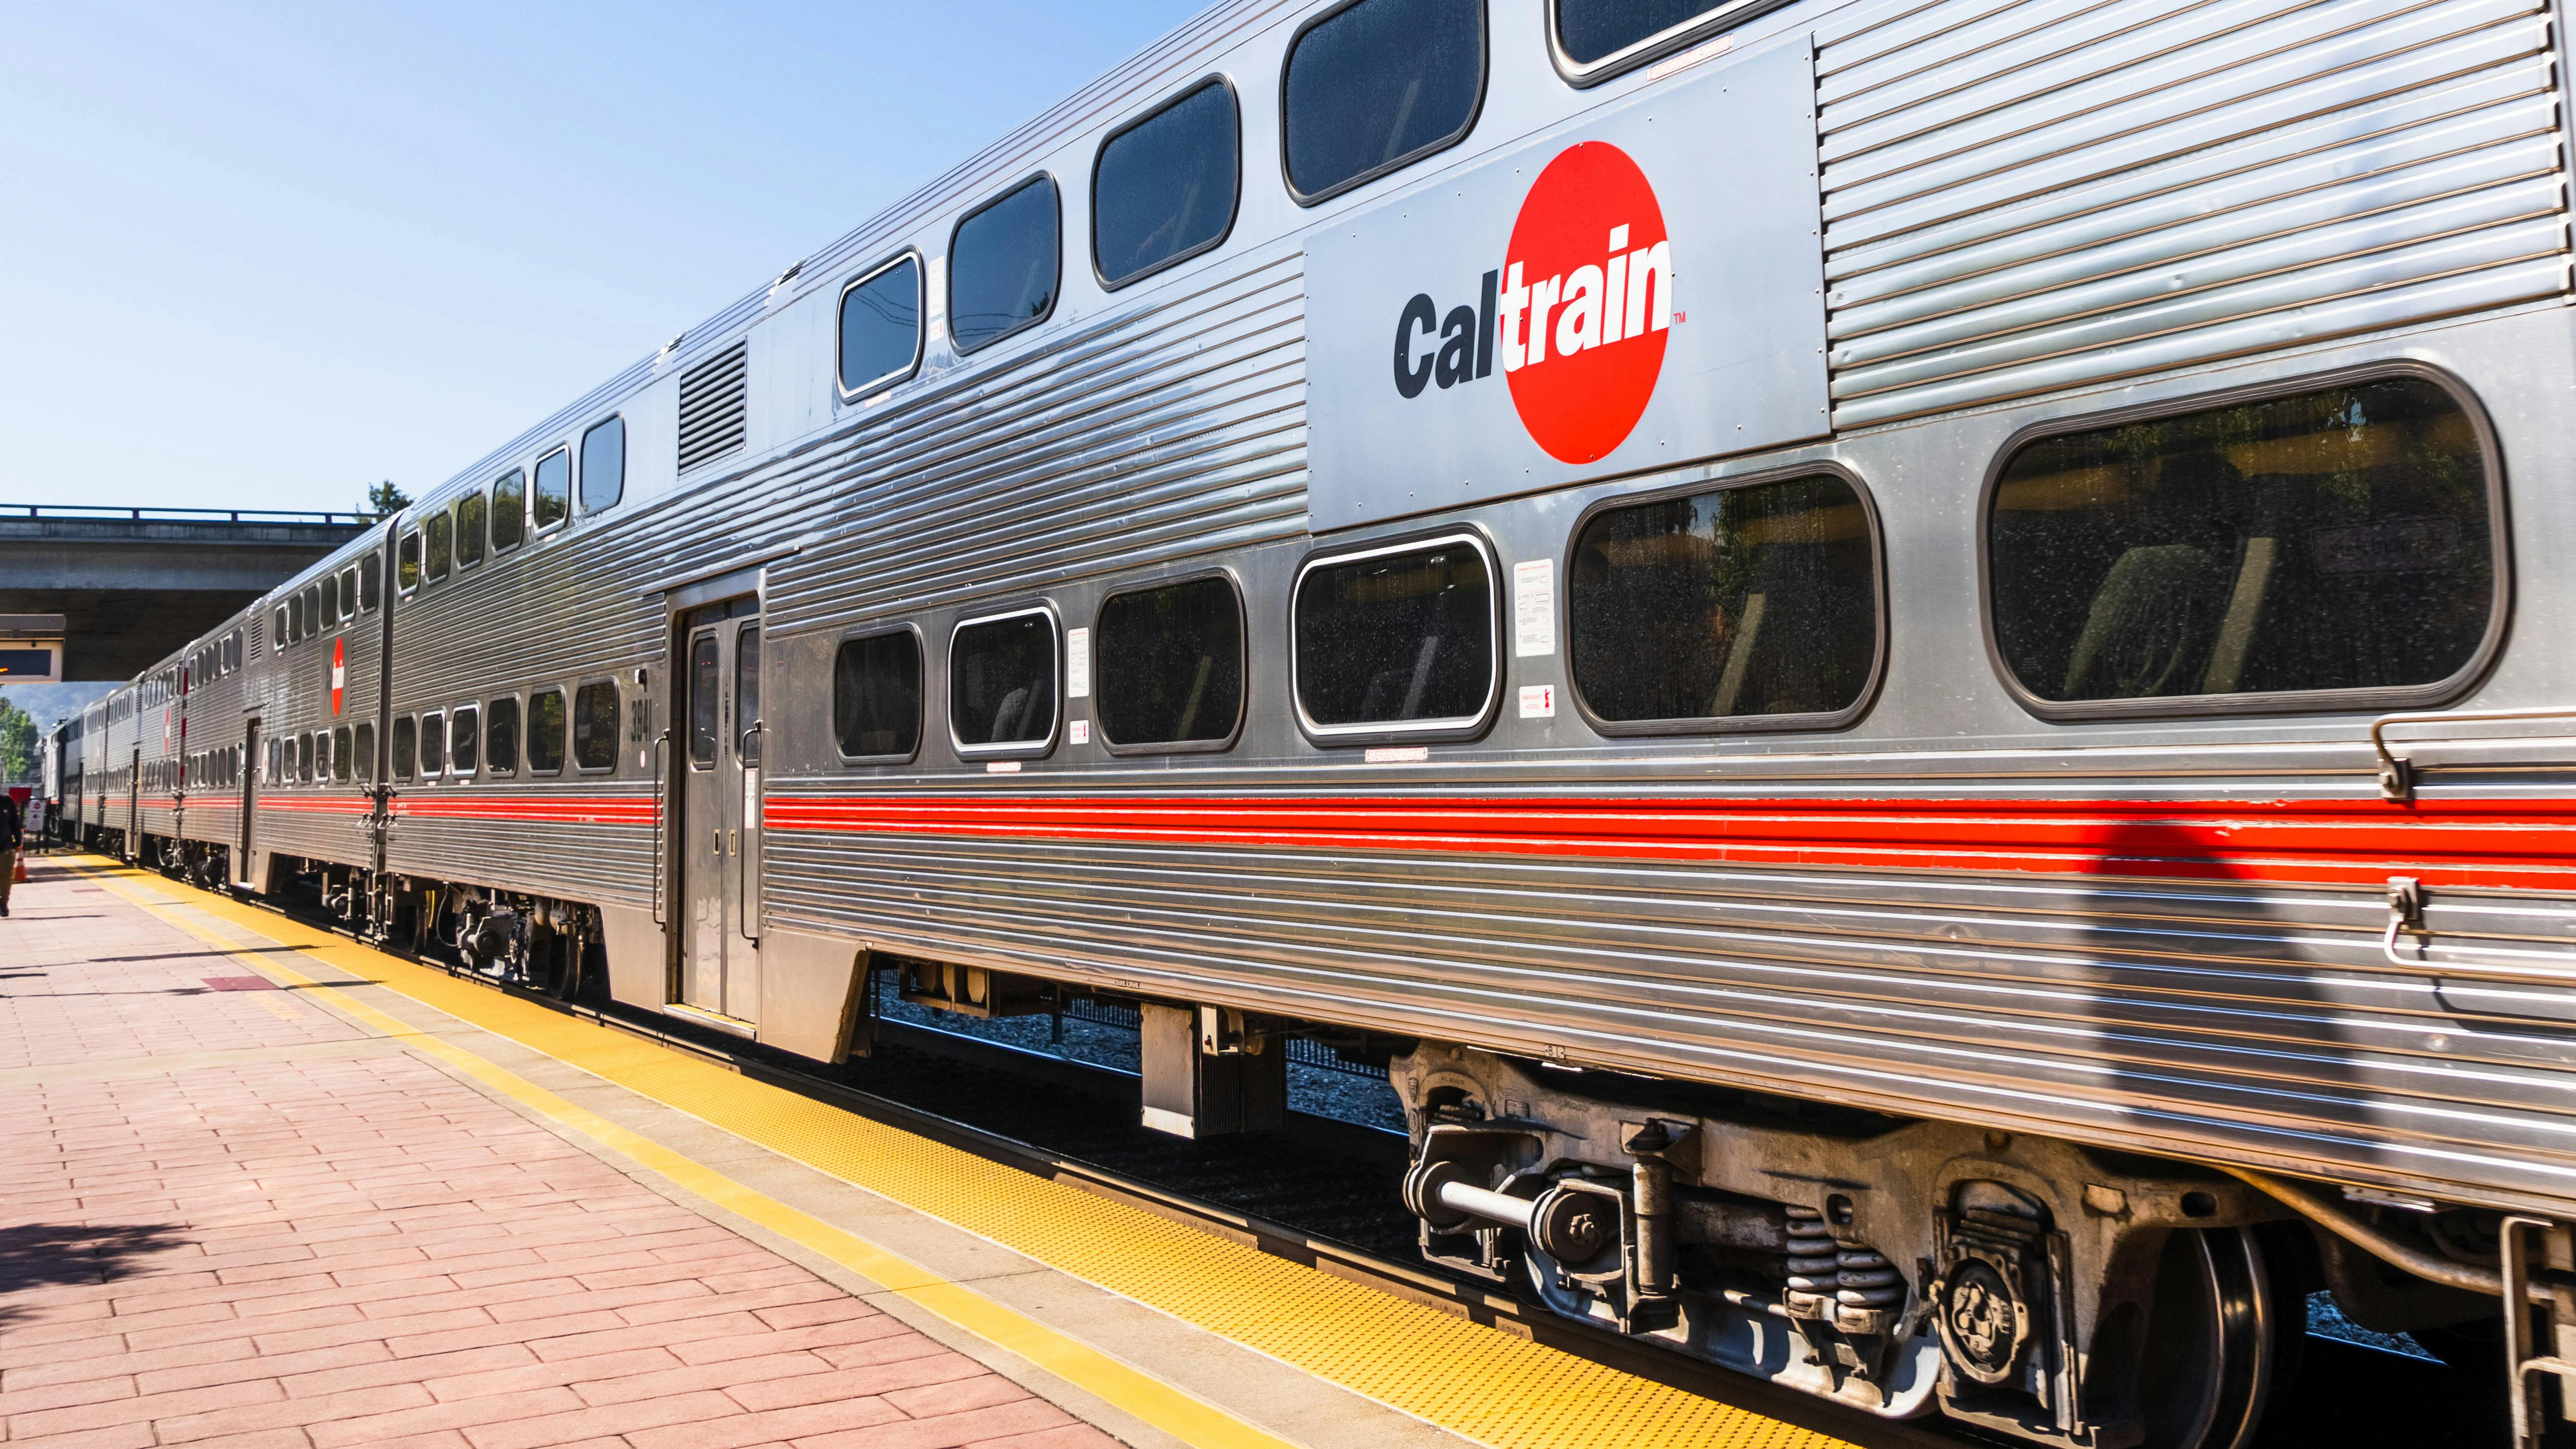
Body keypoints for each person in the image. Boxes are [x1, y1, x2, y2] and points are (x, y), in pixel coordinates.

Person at [0, 789, 20, 917]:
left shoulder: (7, 801)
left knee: (6, 877)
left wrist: (18, 842)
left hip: (6, 846)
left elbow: (15, 823)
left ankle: (3, 903)